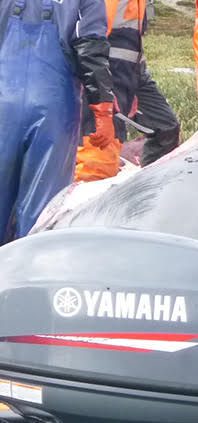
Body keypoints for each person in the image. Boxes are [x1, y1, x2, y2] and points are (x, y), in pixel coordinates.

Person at [0, 0, 115, 243]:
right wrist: (103, 111)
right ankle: (27, 273)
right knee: (41, 211)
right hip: (54, 110)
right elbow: (91, 48)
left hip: (4, 103)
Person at [75, 0, 181, 181]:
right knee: (98, 161)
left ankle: (146, 191)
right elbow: (85, 42)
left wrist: (135, 80)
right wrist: (101, 91)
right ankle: (83, 204)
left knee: (167, 128)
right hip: (102, 79)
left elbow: (132, 44)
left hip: (130, 75)